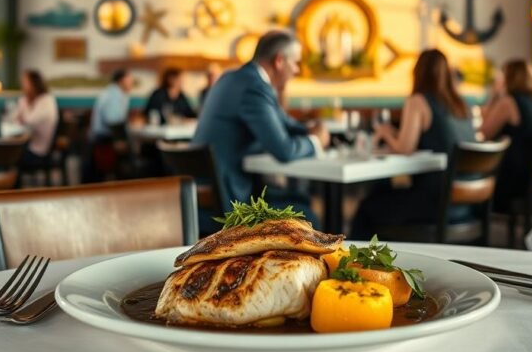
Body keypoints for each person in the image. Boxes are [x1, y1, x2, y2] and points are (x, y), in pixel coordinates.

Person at [193, 31, 329, 229]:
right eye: (295, 62)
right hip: (231, 202)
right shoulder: (254, 87)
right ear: (280, 61)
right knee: (305, 214)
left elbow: (283, 123)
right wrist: (315, 141)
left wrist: (309, 130)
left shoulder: (233, 78)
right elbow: (283, 150)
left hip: (208, 196)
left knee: (299, 199)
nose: (297, 70)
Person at [350, 49, 476, 239]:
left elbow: (404, 148)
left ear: (418, 72)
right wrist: (395, 134)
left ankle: (353, 265)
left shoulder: (418, 101)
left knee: (368, 207)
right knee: (382, 193)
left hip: (435, 205)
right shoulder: (461, 104)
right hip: (466, 204)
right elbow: (428, 138)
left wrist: (385, 132)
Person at [480, 59, 532, 212]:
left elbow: (484, 133)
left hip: (519, 182)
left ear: (508, 78)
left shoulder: (509, 102)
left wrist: (494, 95)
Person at [15, 69, 58, 168]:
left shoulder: (46, 100)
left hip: (38, 151)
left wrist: (24, 102)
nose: (22, 85)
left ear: (34, 83)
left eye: (25, 82)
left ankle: (12, 182)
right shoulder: (30, 100)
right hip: (30, 145)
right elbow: (16, 119)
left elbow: (28, 121)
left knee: (9, 156)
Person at [90, 68, 133, 141]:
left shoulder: (115, 92)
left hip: (106, 135)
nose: (131, 83)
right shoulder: (114, 95)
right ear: (121, 81)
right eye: (129, 81)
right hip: (105, 138)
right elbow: (112, 121)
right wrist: (120, 140)